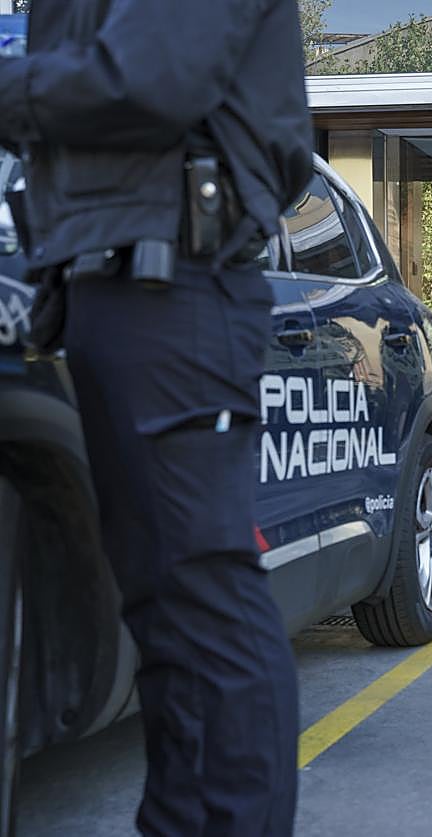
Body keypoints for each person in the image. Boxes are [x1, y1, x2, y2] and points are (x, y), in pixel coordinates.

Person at [0, 1, 313, 834]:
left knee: (201, 599)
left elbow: (148, 77)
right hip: (119, 285)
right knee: (163, 610)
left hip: (173, 288)